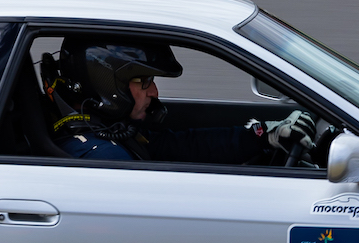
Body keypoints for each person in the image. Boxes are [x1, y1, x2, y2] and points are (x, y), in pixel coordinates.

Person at [41, 38, 317, 164]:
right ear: (107, 83)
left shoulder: (108, 132)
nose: (154, 93)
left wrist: (263, 136)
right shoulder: (103, 157)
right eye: (144, 82)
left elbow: (180, 146)